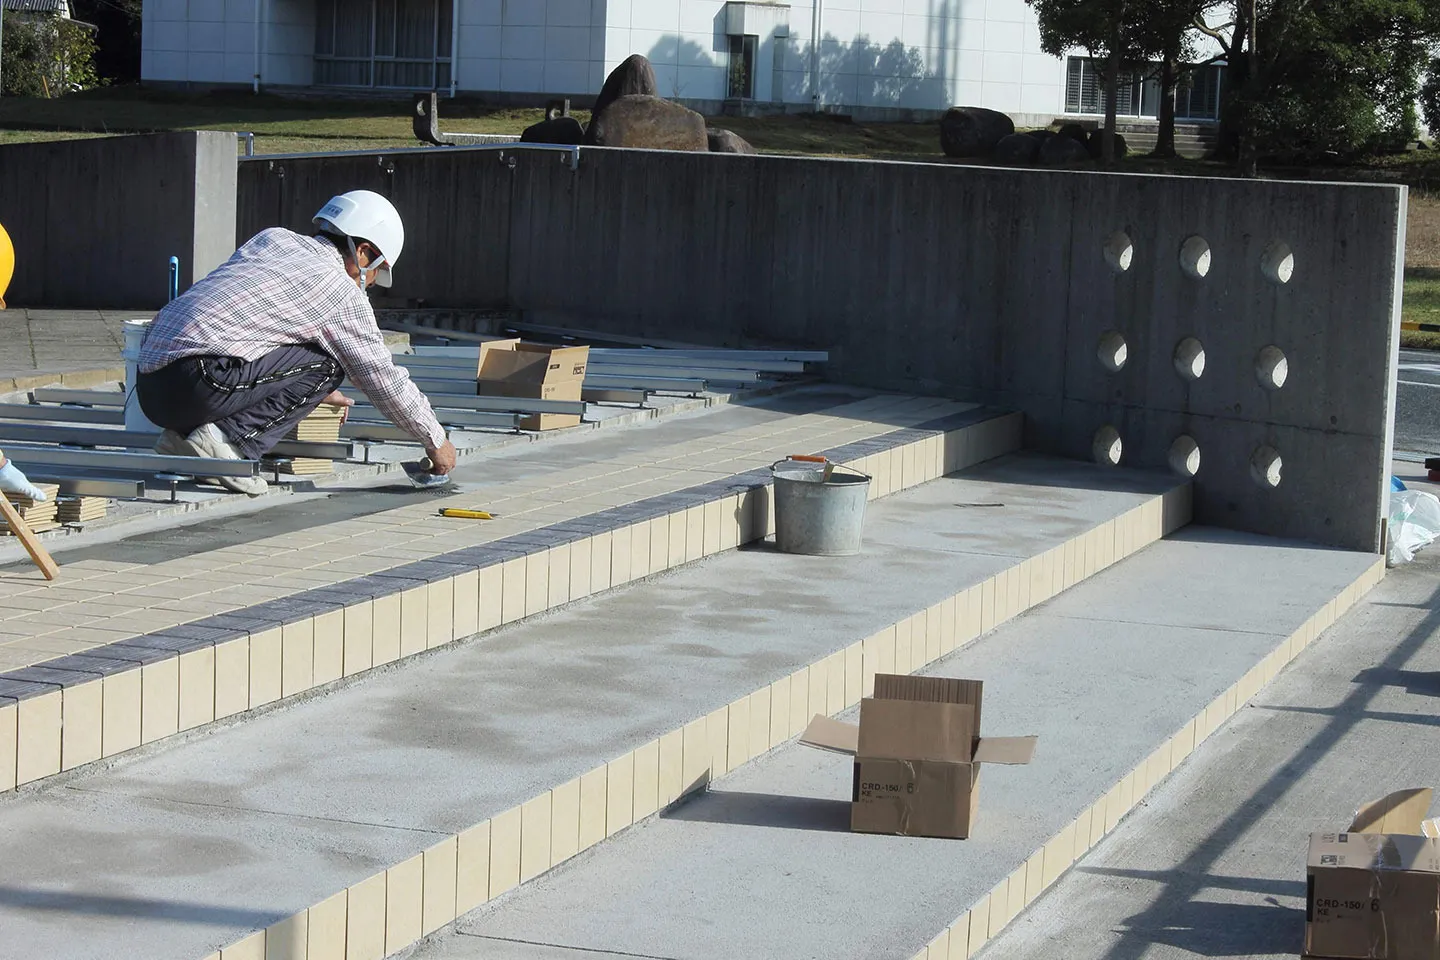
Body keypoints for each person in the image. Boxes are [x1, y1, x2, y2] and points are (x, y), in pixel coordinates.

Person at [136, 190, 457, 495]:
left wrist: (293, 388)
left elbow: (255, 328)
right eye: (375, 273)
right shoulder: (341, 292)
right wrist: (435, 440)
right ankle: (229, 442)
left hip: (150, 388)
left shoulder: (273, 239)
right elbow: (381, 378)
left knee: (320, 359)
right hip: (199, 382)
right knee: (332, 363)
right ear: (364, 252)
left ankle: (180, 438)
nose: (370, 284)